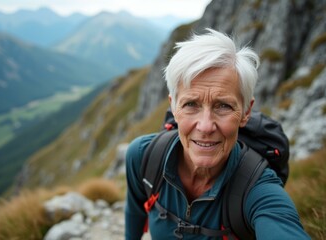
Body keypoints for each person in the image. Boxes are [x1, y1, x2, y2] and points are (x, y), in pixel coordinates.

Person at [124, 28, 310, 239]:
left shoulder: (257, 191)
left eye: (223, 106)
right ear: (174, 107)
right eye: (191, 104)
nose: (205, 126)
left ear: (246, 112)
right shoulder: (143, 157)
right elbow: (135, 212)